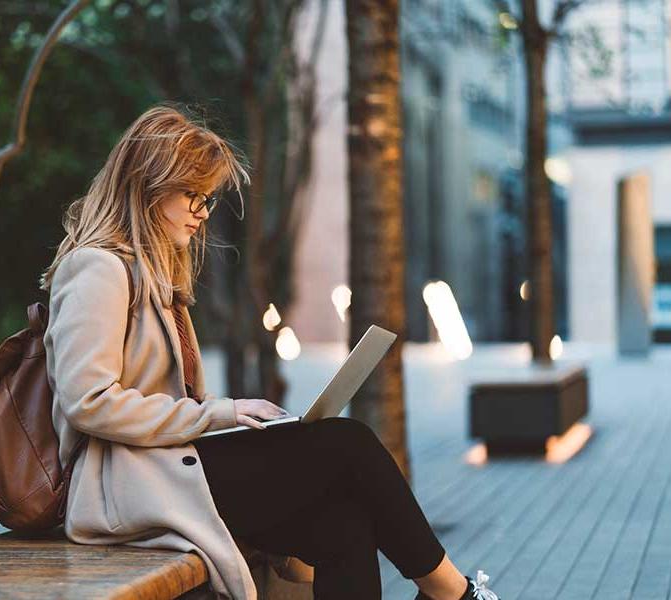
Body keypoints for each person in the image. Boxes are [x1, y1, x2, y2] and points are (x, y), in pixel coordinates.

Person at [39, 103, 501, 600]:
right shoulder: (96, 269)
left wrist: (229, 419)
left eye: (208, 198)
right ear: (147, 186)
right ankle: (451, 593)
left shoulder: (156, 278)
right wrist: (221, 413)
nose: (202, 211)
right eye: (191, 194)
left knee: (342, 523)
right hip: (121, 487)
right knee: (348, 444)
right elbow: (88, 402)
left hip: (168, 469)